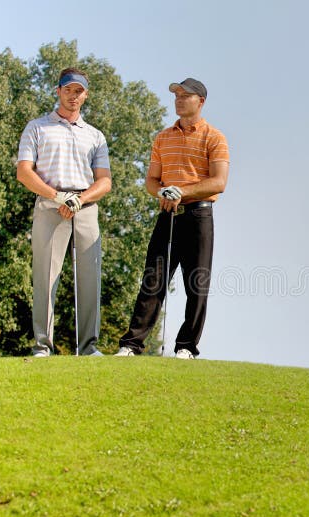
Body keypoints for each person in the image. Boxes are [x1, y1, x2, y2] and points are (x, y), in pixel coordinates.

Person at [116, 78, 229, 358]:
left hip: (199, 215)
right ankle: (132, 344)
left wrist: (183, 191)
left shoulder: (214, 137)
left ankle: (186, 346)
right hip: (168, 215)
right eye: (176, 95)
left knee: (196, 283)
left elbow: (219, 182)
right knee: (153, 280)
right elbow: (151, 181)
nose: (178, 100)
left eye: (185, 96)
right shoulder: (163, 137)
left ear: (200, 101)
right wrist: (164, 192)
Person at [16, 67, 112, 356]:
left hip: (85, 207)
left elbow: (104, 181)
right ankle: (43, 346)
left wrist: (79, 200)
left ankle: (89, 347)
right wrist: (57, 196)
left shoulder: (95, 136)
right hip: (50, 203)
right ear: (58, 91)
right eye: (68, 90)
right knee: (46, 277)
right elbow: (24, 173)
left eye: (79, 91)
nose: (74, 96)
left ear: (86, 95)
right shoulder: (37, 127)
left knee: (89, 277)